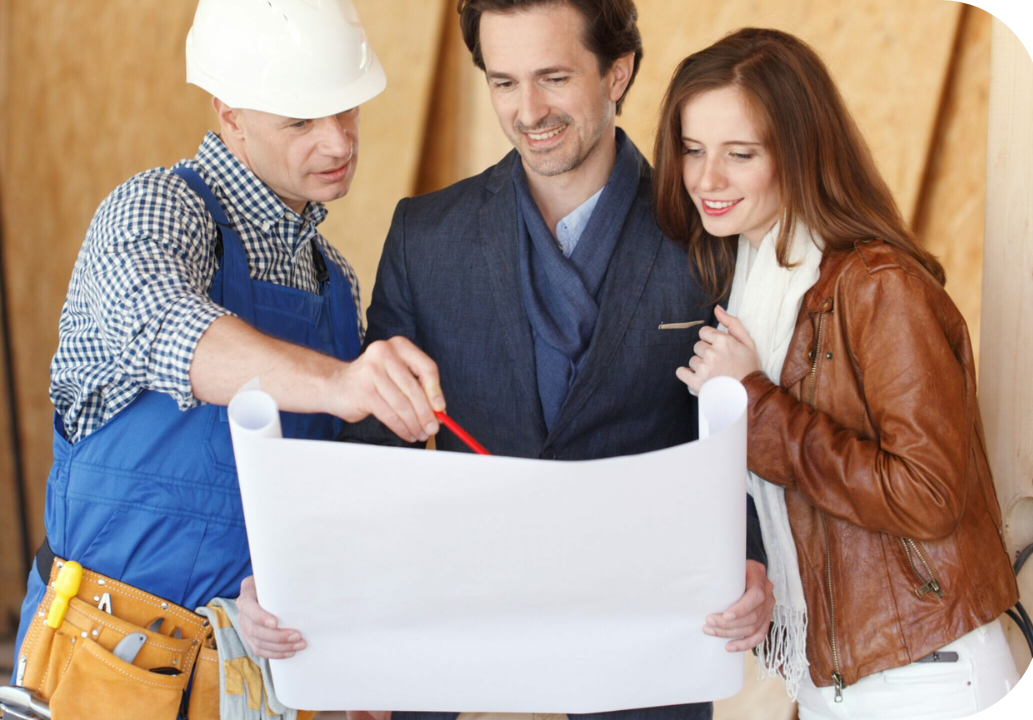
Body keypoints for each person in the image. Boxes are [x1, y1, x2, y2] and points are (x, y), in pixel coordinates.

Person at [240, 1, 776, 718]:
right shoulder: (425, 236)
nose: (529, 111)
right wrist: (298, 586)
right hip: (449, 613)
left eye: (553, 77)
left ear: (618, 72)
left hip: (644, 622)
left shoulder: (706, 233)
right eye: (503, 82)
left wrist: (754, 560)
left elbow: (737, 432)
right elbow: (373, 445)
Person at [12, 0, 447, 671]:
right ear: (230, 114)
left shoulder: (336, 284)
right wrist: (338, 382)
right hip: (100, 668)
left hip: (243, 676)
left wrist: (280, 584)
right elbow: (160, 323)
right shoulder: (157, 209)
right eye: (301, 119)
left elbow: (302, 499)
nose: (338, 142)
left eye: (348, 109)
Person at [660, 28, 1021, 720]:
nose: (707, 179)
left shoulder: (878, 284)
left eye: (740, 154)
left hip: (924, 675)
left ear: (798, 155)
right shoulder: (747, 290)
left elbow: (928, 496)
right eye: (693, 150)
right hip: (830, 676)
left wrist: (756, 405)